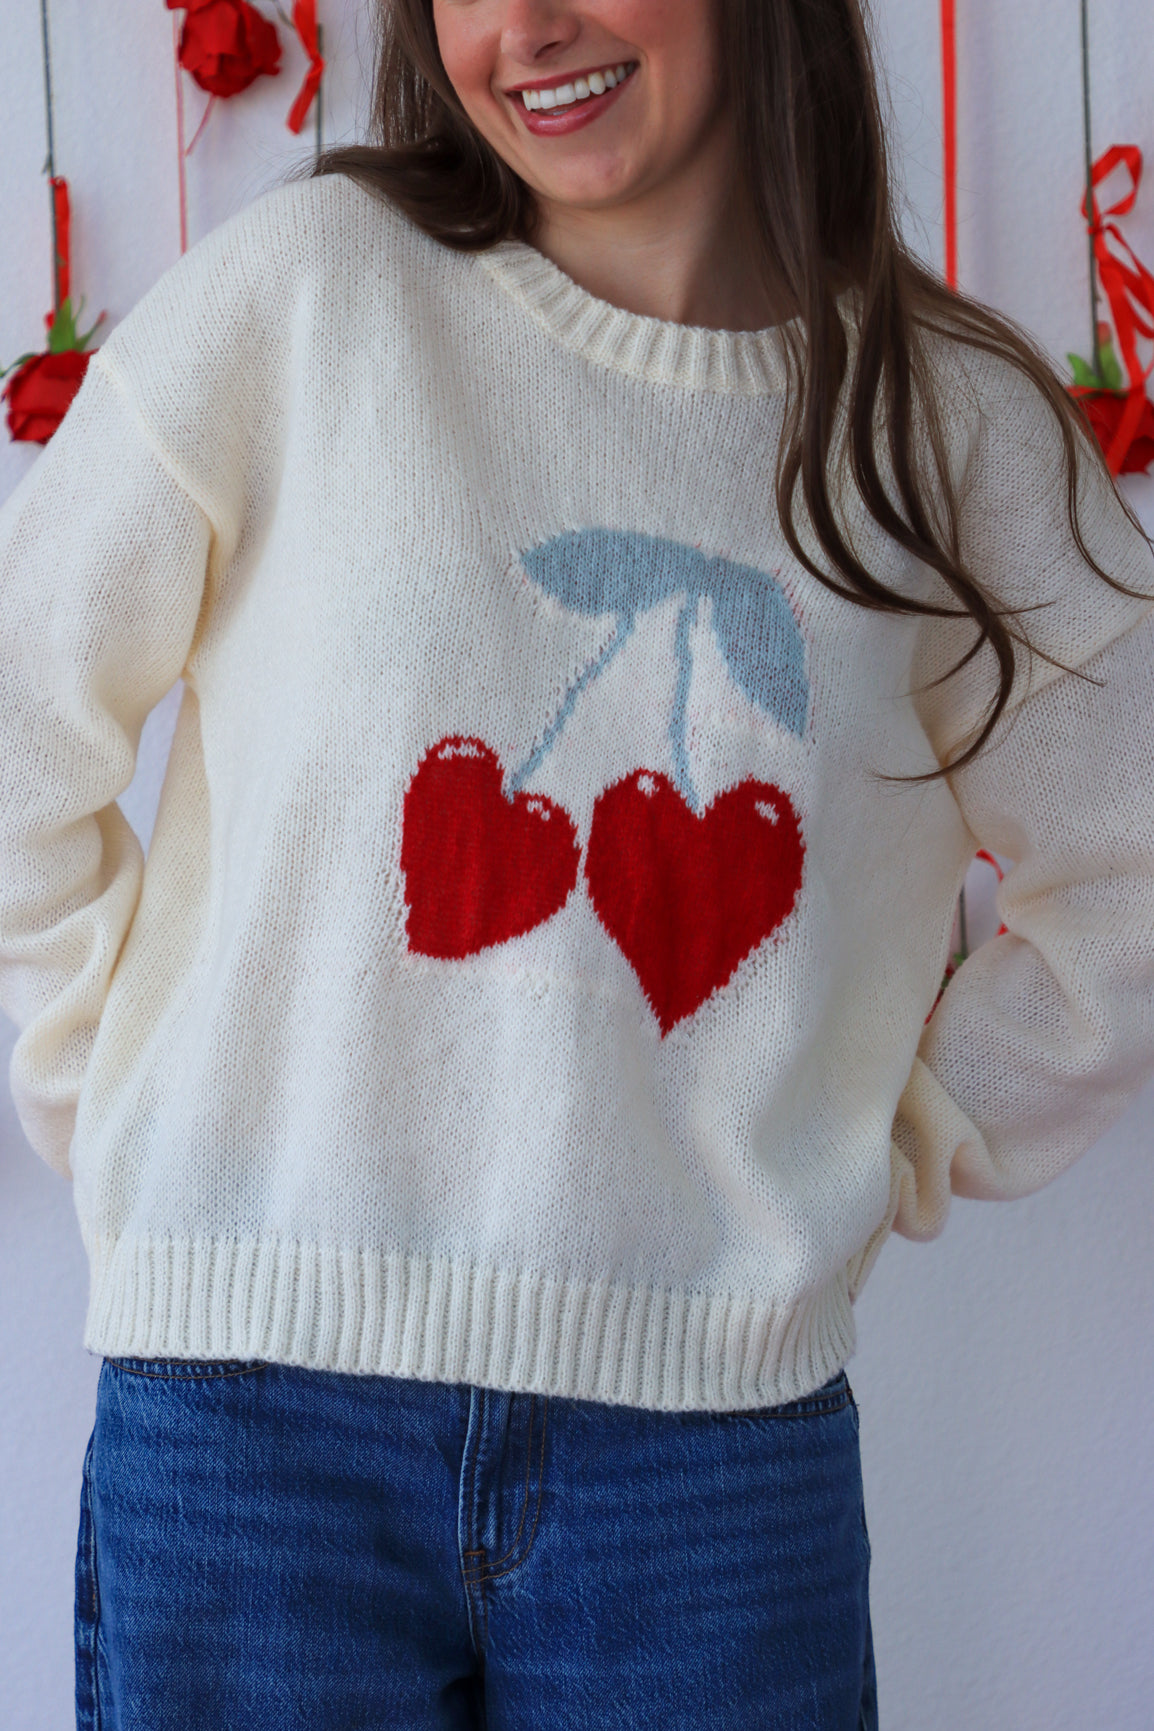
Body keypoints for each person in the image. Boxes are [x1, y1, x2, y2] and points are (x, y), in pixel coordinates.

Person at [2, 0, 1153, 1724]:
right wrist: (123, 1107)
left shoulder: (949, 427)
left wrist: (889, 1146)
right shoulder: (303, 298)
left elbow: (1126, 863)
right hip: (248, 1432)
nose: (526, 28)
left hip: (707, 1468)